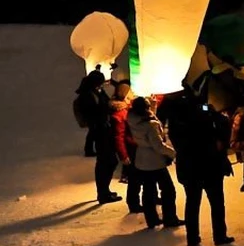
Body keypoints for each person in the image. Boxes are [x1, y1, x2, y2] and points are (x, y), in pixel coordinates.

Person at [157, 84, 235, 246]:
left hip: (189, 167)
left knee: (192, 202)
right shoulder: (204, 116)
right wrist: (210, 111)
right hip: (210, 164)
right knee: (216, 202)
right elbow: (221, 121)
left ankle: (192, 238)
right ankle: (219, 235)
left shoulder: (175, 125)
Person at [127, 97, 183, 229]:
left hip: (142, 158)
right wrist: (174, 153)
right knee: (168, 190)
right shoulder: (151, 125)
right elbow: (158, 145)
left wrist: (153, 106)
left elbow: (149, 118)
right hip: (155, 160)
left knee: (148, 190)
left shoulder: (133, 119)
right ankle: (170, 218)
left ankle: (151, 219)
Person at [75, 70, 122, 204]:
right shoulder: (88, 96)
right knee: (107, 162)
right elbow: (97, 112)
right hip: (101, 131)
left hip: (103, 130)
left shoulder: (95, 91)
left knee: (107, 161)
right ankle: (103, 193)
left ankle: (104, 191)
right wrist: (109, 110)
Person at [109, 80, 142, 213]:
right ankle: (133, 203)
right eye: (130, 92)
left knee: (140, 176)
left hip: (135, 147)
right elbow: (119, 136)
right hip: (131, 149)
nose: (133, 94)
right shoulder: (120, 113)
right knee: (135, 177)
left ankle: (144, 199)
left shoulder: (127, 109)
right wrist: (123, 155)